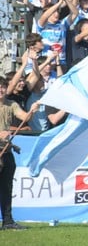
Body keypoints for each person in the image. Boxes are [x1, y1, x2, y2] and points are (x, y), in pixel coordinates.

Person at [0, 76, 37, 230]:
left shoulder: (11, 104)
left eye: (3, 87)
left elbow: (24, 117)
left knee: (6, 188)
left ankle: (8, 221)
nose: (1, 90)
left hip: (6, 151)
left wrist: (32, 110)